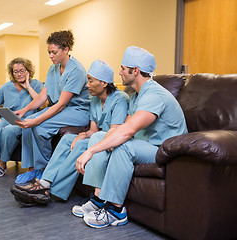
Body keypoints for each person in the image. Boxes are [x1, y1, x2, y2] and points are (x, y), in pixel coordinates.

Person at [72, 46, 188, 228]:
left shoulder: (154, 95)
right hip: (146, 145)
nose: (119, 73)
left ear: (135, 71)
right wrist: (100, 141)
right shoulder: (135, 96)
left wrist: (90, 152)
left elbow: (127, 132)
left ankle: (116, 211)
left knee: (123, 146)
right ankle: (98, 200)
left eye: (123, 68)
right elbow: (123, 128)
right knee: (99, 137)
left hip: (165, 151)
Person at [10, 60, 129, 206]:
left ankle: (51, 191)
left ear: (104, 83)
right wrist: (81, 135)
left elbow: (114, 133)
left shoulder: (120, 99)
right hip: (97, 138)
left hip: (110, 142)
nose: (86, 85)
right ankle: (44, 182)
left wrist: (85, 141)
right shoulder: (95, 100)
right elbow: (92, 130)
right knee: (68, 140)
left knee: (79, 146)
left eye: (90, 81)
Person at [13, 30, 90, 184]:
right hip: (62, 108)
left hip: (78, 111)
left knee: (39, 127)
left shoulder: (76, 70)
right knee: (27, 122)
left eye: (54, 52)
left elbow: (61, 105)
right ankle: (32, 168)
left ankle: (46, 170)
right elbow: (43, 96)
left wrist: (37, 121)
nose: (50, 56)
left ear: (66, 49)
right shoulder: (53, 68)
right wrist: (25, 109)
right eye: (49, 52)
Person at [0, 57, 43, 178]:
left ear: (28, 71)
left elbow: (43, 104)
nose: (19, 74)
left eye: (22, 70)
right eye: (16, 71)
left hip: (26, 120)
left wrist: (28, 87)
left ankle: (2, 164)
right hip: (7, 118)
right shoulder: (6, 87)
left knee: (9, 131)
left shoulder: (37, 85)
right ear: (12, 73)